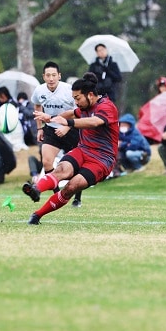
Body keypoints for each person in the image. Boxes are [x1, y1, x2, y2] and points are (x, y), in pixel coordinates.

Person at [22, 72, 118, 224]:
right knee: (61, 170)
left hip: (102, 159)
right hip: (83, 150)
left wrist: (67, 123)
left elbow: (93, 122)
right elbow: (71, 113)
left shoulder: (107, 107)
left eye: (77, 98)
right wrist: (51, 118)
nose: (76, 102)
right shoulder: (84, 107)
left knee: (71, 186)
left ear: (90, 95)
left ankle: (37, 214)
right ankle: (36, 189)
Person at [30, 61, 83, 207]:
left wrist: (67, 127)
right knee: (47, 162)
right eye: (48, 75)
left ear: (59, 76)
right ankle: (57, 195)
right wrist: (40, 128)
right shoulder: (39, 91)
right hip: (51, 129)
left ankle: (77, 197)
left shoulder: (68, 90)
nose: (51, 78)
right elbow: (36, 105)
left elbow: (79, 111)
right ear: (43, 77)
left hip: (71, 129)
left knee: (77, 165)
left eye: (54, 75)